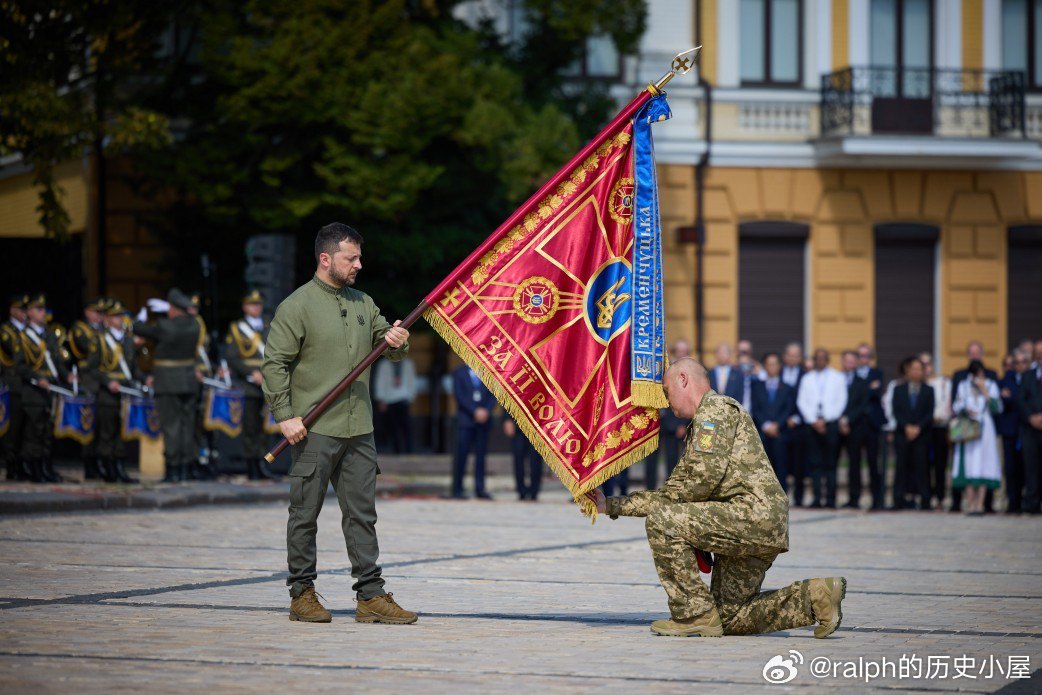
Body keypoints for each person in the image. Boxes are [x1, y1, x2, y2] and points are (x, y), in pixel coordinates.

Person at [592, 358, 846, 638]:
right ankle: (816, 597)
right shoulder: (704, 421)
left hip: (751, 516)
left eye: (666, 390)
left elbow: (702, 479)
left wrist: (670, 509)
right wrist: (610, 505)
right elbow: (674, 492)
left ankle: (693, 614)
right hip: (748, 521)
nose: (665, 401)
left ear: (683, 380)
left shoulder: (714, 411)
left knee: (663, 521)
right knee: (728, 617)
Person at [263, 222, 417, 625]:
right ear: (326, 258)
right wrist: (285, 416)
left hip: (359, 428)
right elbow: (274, 364)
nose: (359, 265)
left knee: (362, 515)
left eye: (359, 258)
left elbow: (388, 344)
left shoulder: (364, 302)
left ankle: (370, 596)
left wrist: (398, 341)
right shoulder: (296, 306)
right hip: (313, 429)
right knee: (304, 514)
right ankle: (302, 594)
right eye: (352, 258)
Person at [133, 289, 204, 483]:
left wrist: (140, 318)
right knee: (187, 426)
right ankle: (185, 467)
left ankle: (173, 468)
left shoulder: (165, 326)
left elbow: (138, 328)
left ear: (172, 309)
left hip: (168, 382)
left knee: (171, 426)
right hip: (188, 381)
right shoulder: (195, 325)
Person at [18, 293, 76, 483]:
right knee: (34, 432)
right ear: (29, 312)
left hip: (50, 389)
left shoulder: (49, 335)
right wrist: (37, 378)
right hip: (33, 391)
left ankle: (46, 466)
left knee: (47, 431)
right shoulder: (22, 337)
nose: (43, 313)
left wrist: (67, 375)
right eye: (38, 309)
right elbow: (19, 366)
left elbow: (56, 362)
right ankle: (34, 469)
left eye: (43, 309)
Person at [224, 289, 278, 481]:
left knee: (265, 428)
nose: (256, 308)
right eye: (252, 304)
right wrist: (251, 373)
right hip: (248, 385)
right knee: (250, 427)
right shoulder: (237, 328)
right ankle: (251, 466)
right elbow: (232, 357)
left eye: (258, 304)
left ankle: (262, 463)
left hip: (268, 382)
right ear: (245, 306)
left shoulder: (269, 325)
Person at [92, 299, 141, 483]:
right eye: (115, 316)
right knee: (107, 432)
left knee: (122, 432)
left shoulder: (127, 340)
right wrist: (107, 382)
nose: (120, 319)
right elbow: (92, 368)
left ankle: (120, 466)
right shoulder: (100, 339)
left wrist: (145, 378)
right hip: (108, 393)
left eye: (121, 315)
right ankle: (108, 468)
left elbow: (133, 368)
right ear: (107, 318)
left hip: (125, 392)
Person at [950, 341, 999, 513]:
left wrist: (984, 391)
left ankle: (981, 504)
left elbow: (997, 407)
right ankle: (970, 503)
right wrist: (965, 410)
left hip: (985, 429)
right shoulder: (963, 386)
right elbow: (956, 405)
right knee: (969, 463)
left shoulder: (991, 385)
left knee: (985, 462)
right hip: (968, 427)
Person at [796, 349, 847, 508]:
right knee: (815, 463)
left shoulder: (838, 377)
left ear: (827, 360)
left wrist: (826, 419)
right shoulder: (807, 378)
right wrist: (813, 420)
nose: (820, 361)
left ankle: (831, 499)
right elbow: (802, 401)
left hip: (830, 424)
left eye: (823, 358)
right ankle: (817, 498)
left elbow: (841, 401)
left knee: (831, 463)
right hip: (812, 425)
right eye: (817, 358)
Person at [69, 297, 106, 480]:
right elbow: (89, 348)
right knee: (90, 424)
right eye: (96, 312)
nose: (100, 316)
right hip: (89, 380)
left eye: (102, 313)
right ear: (87, 312)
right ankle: (89, 464)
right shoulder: (81, 329)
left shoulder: (103, 330)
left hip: (104, 380)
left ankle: (100, 461)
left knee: (103, 426)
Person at [891, 357, 935, 510]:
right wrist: (906, 427)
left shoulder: (929, 390)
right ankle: (898, 499)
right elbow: (896, 411)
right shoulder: (898, 389)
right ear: (907, 371)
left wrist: (918, 428)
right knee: (901, 467)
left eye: (919, 369)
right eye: (913, 369)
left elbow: (929, 413)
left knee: (922, 468)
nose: (916, 372)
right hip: (902, 434)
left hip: (921, 435)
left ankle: (925, 500)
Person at [750, 353, 796, 493]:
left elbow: (788, 409)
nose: (772, 367)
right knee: (763, 467)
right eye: (769, 364)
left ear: (779, 366)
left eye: (775, 364)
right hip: (763, 434)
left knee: (781, 467)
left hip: (780, 433)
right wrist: (765, 425)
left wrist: (777, 425)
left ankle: (782, 496)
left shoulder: (787, 387)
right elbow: (756, 408)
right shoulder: (757, 386)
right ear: (765, 366)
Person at [451, 364, 496, 500]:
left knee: (481, 456)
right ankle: (457, 489)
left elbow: (493, 394)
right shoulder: (459, 372)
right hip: (466, 421)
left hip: (483, 421)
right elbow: (459, 395)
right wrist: (474, 411)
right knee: (461, 455)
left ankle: (480, 488)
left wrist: (486, 410)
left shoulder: (489, 372)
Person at [655, 339, 692, 490]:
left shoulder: (692, 372)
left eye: (683, 351)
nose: (680, 354)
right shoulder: (667, 369)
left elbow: (692, 399)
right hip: (663, 421)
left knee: (678, 460)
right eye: (678, 351)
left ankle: (675, 489)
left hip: (680, 422)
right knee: (660, 459)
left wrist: (684, 424)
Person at [1, 293, 30, 481]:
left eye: (26, 309)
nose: (24, 313)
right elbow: (16, 354)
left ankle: (22, 463)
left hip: (27, 386)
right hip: (13, 384)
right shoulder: (7, 331)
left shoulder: (29, 331)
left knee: (25, 429)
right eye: (21, 309)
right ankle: (12, 464)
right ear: (12, 310)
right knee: (13, 427)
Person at [997, 351, 1029, 513]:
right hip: (1010, 430)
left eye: (1023, 362)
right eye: (1016, 363)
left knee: (1027, 467)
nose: (1019, 366)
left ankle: (1028, 501)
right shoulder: (1006, 379)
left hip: (1028, 429)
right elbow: (1002, 399)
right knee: (1010, 468)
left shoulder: (1031, 378)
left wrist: (1012, 397)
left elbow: (1023, 400)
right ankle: (1013, 501)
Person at [854, 343, 885, 508]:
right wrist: (868, 389)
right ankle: (854, 498)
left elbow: (876, 393)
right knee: (855, 462)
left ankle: (877, 499)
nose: (863, 359)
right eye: (860, 355)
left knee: (874, 462)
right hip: (856, 424)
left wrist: (862, 391)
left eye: (866, 355)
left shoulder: (877, 373)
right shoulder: (852, 374)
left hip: (872, 424)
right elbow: (855, 396)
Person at [838, 351, 870, 509]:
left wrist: (847, 419)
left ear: (856, 363)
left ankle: (854, 497)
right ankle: (829, 497)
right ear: (842, 361)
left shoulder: (862, 382)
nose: (849, 364)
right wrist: (839, 419)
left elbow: (862, 405)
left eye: (852, 361)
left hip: (854, 427)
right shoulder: (835, 379)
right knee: (831, 462)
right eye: (847, 361)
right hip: (835, 426)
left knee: (854, 463)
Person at [919, 352, 951, 510]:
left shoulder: (943, 383)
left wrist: (939, 417)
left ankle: (940, 497)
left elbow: (946, 404)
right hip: (923, 428)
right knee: (923, 465)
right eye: (922, 365)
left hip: (939, 427)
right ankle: (925, 497)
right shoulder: (917, 385)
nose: (925, 368)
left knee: (940, 465)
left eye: (927, 364)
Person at [373, 355, 418, 454]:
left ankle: (409, 451)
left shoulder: (408, 363)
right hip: (389, 400)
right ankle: (397, 451)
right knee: (393, 428)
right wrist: (381, 399)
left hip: (403, 399)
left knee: (406, 428)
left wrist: (411, 397)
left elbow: (412, 380)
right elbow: (380, 381)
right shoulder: (384, 364)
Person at [780, 342, 807, 504]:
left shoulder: (806, 375)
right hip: (781, 425)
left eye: (796, 355)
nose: (793, 358)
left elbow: (808, 399)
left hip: (799, 425)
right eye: (790, 355)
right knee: (781, 463)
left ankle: (799, 497)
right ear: (785, 356)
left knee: (799, 463)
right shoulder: (778, 373)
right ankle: (782, 497)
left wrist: (796, 418)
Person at [1019, 354, 1042, 515]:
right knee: (1032, 468)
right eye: (1038, 353)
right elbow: (1021, 400)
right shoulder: (1027, 376)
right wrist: (1031, 417)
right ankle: (1032, 504)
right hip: (1030, 429)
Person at [504, 416, 542, 501]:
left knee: (535, 460)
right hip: (518, 425)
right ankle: (521, 491)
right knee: (518, 458)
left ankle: (534, 491)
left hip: (537, 424)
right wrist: (507, 419)